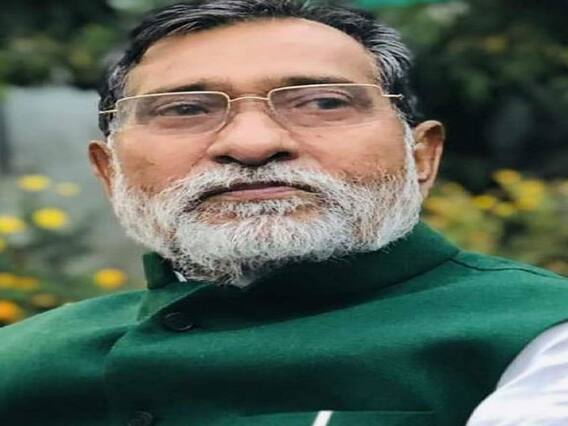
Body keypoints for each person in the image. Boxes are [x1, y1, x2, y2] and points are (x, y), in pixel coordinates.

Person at [1, 1, 567, 425]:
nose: (252, 144)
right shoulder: (25, 358)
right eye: (186, 109)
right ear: (109, 171)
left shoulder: (538, 336)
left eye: (322, 102)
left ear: (421, 156)